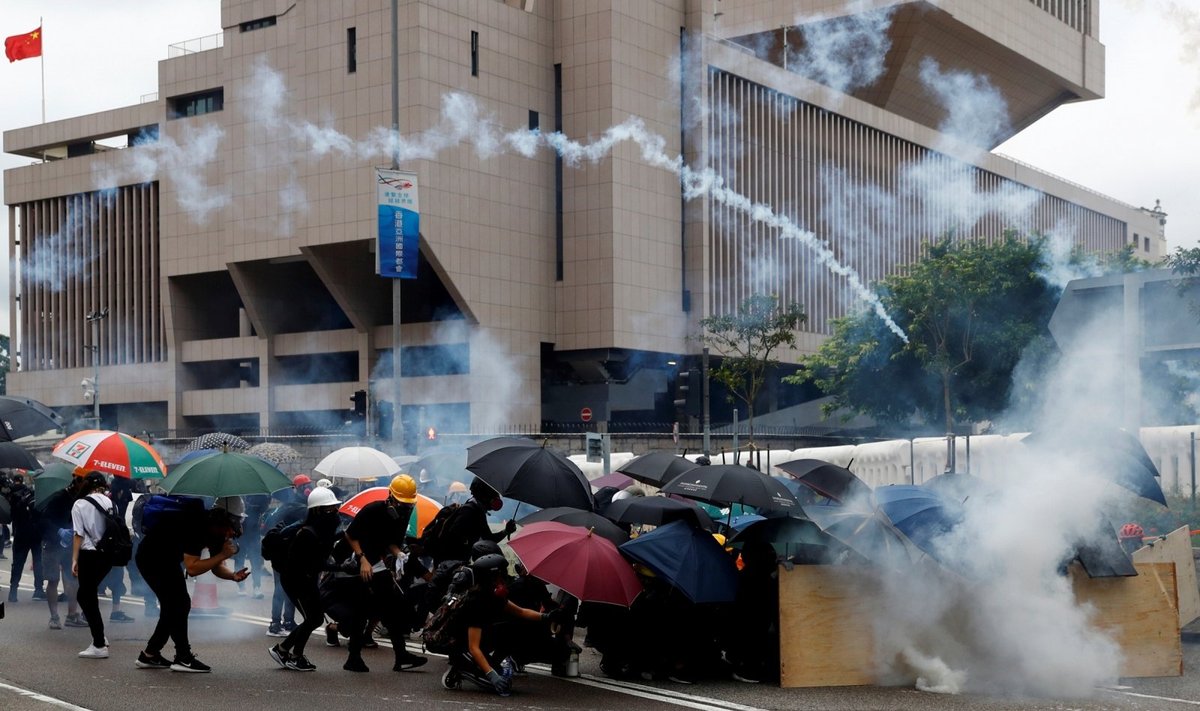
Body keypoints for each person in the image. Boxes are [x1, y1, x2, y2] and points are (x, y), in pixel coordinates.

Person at [134, 503, 249, 673]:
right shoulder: (198, 526)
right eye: (233, 524)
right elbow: (193, 568)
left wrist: (232, 575)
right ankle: (183, 657)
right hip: (151, 558)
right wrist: (223, 554)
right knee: (179, 604)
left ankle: (150, 654)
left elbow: (216, 566)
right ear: (223, 520)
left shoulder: (217, 531)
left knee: (173, 606)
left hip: (168, 559)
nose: (234, 531)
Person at [441, 553, 568, 697]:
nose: (506, 578)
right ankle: (461, 669)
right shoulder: (476, 602)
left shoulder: (492, 595)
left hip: (482, 640)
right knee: (501, 684)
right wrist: (491, 675)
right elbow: (473, 647)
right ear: (492, 577)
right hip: (462, 646)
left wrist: (546, 617)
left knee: (512, 629)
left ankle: (489, 665)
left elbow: (520, 612)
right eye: (503, 574)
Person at [343, 473, 427, 672]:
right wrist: (363, 558)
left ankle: (402, 656)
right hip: (362, 564)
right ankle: (353, 657)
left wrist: (399, 554)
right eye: (401, 503)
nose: (404, 507)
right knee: (361, 612)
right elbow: (350, 534)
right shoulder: (372, 510)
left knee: (394, 609)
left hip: (380, 567)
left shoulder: (405, 514)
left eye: (408, 504)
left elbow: (391, 541)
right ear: (390, 496)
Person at [269, 487, 343, 672]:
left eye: (335, 507)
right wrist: (339, 567)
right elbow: (313, 563)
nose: (334, 512)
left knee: (314, 618)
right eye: (329, 509)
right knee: (313, 618)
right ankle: (288, 652)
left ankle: (289, 652)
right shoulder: (307, 534)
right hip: (296, 580)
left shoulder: (321, 531)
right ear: (317, 511)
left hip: (306, 579)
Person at [71, 472, 115, 659]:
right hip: (107, 555)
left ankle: (99, 643)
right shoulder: (110, 503)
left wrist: (74, 559)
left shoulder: (80, 504)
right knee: (88, 595)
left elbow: (78, 534)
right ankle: (100, 638)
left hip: (89, 554)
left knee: (85, 595)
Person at [39, 475, 84, 630]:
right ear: (76, 482)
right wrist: (58, 531)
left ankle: (72, 615)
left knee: (73, 579)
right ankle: (54, 617)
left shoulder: (81, 499)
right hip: (52, 543)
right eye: (83, 481)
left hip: (70, 544)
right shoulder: (58, 498)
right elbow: (43, 519)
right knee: (53, 580)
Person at [436, 478, 515, 564]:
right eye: (493, 492)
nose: (496, 496)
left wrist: (506, 531)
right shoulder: (470, 511)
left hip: (455, 562)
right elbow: (452, 539)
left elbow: (488, 539)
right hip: (449, 564)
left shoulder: (476, 510)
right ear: (485, 494)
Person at [5, 471, 43, 602]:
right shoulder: (35, 495)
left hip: (20, 531)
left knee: (18, 562)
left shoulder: (11, 494)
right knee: (38, 561)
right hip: (35, 532)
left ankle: (13, 590)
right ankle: (38, 589)